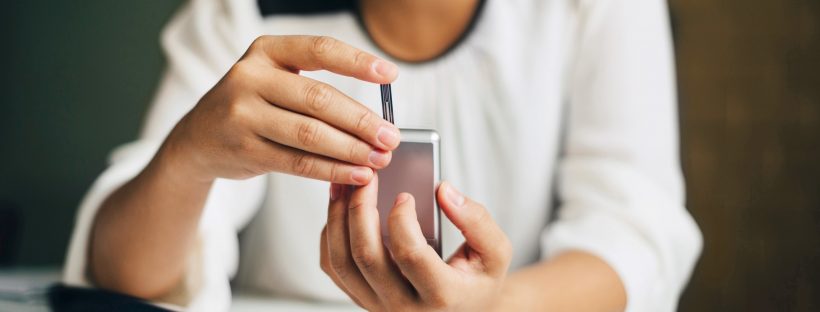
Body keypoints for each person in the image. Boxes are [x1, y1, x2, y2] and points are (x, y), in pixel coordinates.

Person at [63, 0, 703, 311]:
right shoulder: (244, 9)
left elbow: (633, 236)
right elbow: (128, 279)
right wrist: (187, 159)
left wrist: (497, 307)